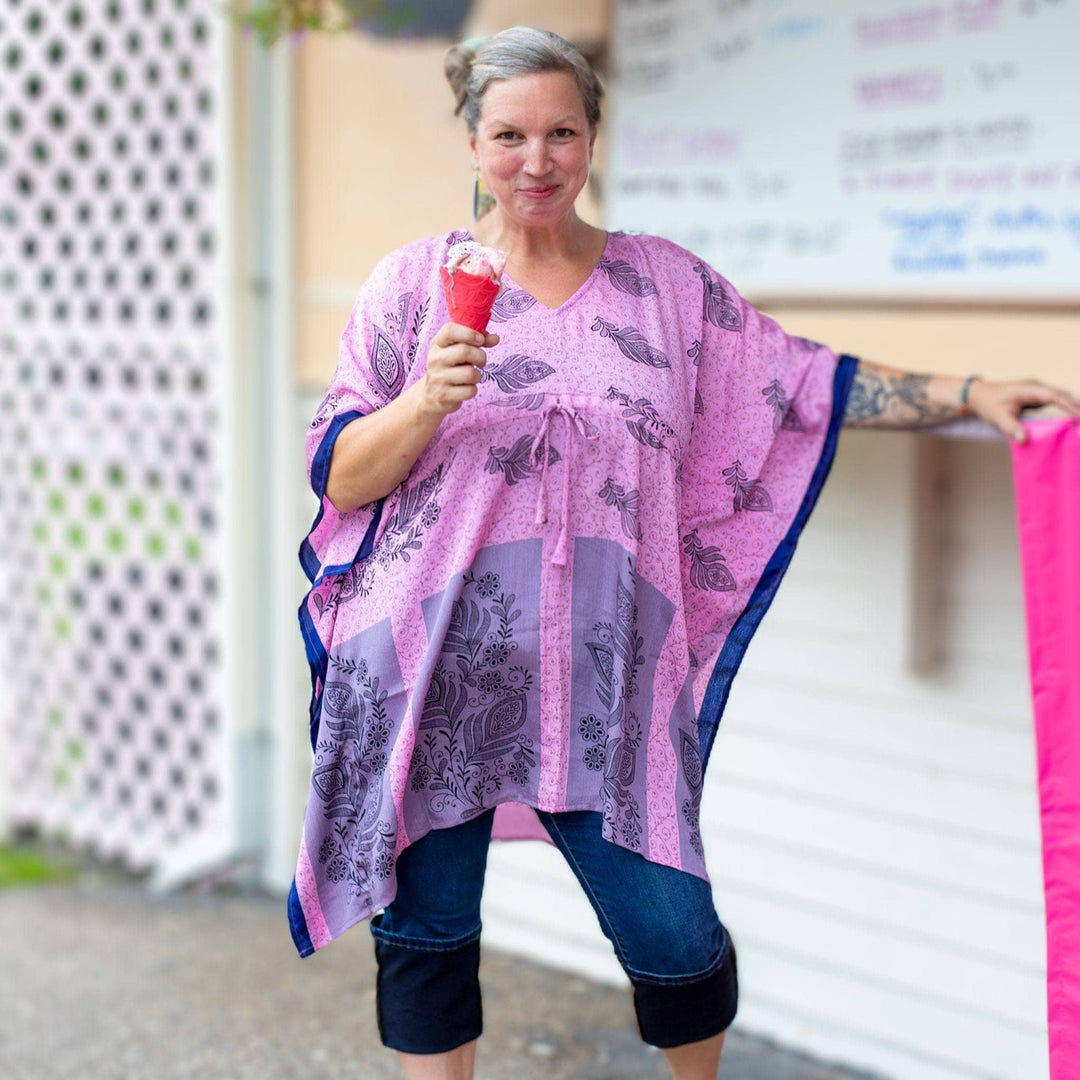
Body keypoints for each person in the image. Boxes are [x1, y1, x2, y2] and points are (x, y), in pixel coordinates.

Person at [288, 26, 1080, 1080]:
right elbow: (342, 474)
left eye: (561, 131)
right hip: (430, 675)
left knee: (676, 939)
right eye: (511, 133)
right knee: (428, 937)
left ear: (594, 137)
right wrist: (428, 399)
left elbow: (800, 382)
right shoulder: (410, 289)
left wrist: (970, 392)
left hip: (608, 686)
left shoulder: (665, 291)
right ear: (472, 142)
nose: (537, 160)